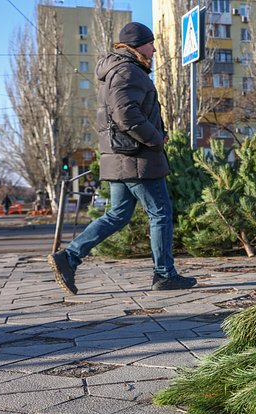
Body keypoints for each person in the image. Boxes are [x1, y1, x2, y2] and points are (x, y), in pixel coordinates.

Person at [47, 22, 196, 294]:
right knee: (160, 213)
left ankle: (69, 258)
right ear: (139, 45)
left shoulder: (120, 70)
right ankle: (164, 274)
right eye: (151, 43)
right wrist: (155, 138)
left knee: (117, 215)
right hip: (136, 158)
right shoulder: (128, 71)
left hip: (123, 157)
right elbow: (126, 115)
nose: (154, 49)